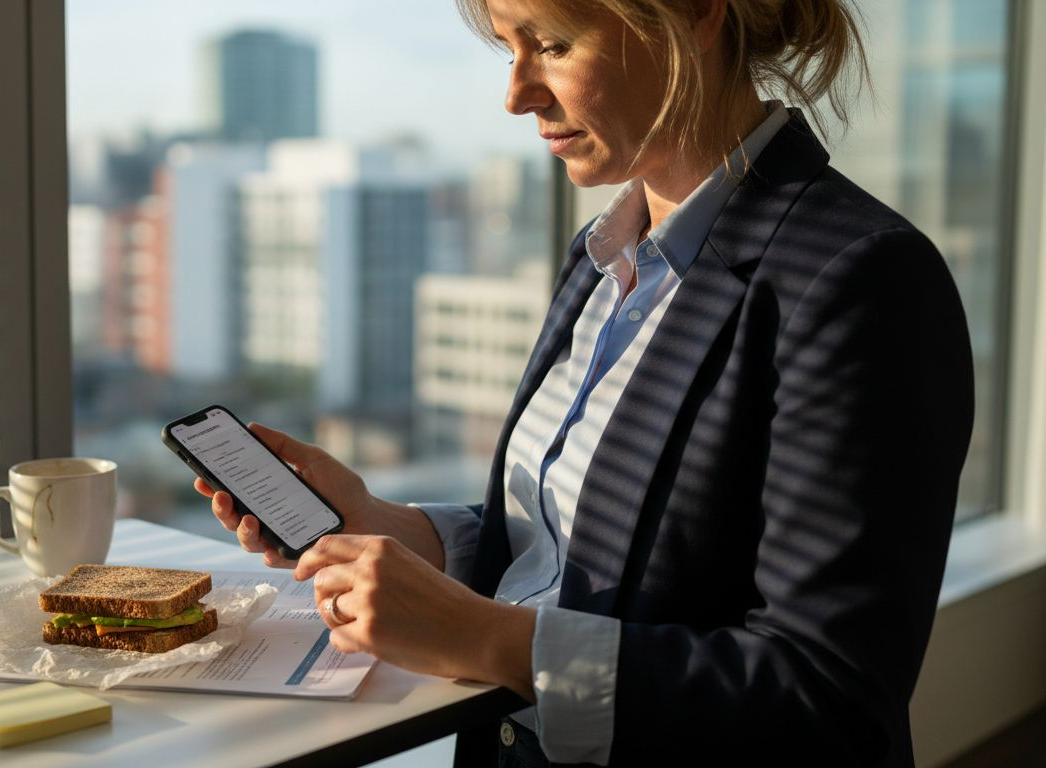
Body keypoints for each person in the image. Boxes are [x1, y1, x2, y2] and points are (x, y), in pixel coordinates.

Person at [192, 0, 974, 765]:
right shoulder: (606, 255)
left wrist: (485, 639)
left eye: (555, 45)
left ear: (697, 15)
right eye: (510, 49)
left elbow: (827, 703)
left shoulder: (859, 279)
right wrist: (402, 531)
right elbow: (580, 545)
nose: (516, 94)